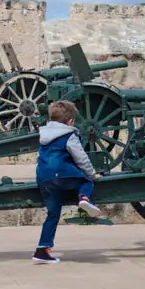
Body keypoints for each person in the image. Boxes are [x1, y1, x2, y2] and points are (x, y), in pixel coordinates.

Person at [33, 100, 102, 264]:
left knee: (53, 214)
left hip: (44, 177)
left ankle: (42, 250)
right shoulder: (69, 134)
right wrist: (92, 173)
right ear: (70, 121)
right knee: (86, 181)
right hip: (62, 173)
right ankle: (84, 199)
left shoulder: (44, 134)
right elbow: (80, 157)